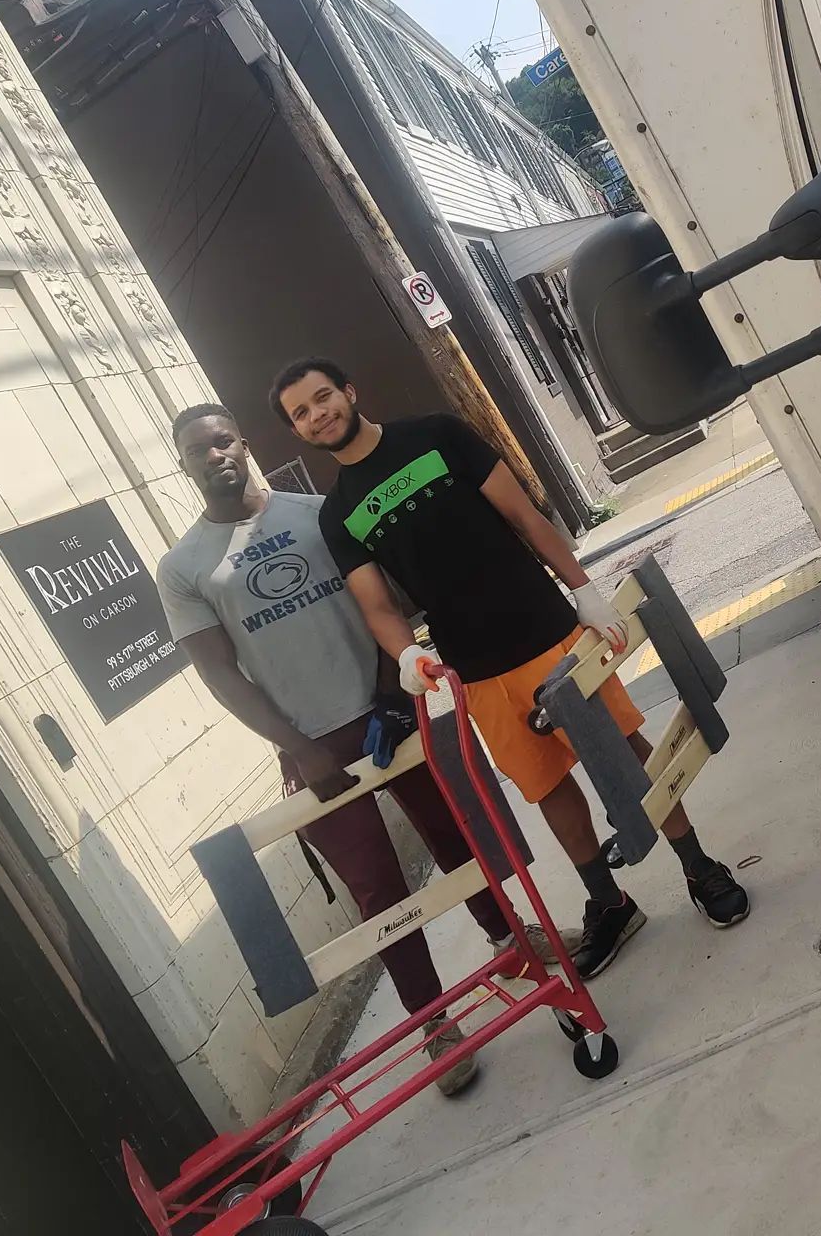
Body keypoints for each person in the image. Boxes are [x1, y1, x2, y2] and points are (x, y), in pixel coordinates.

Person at [267, 358, 750, 980]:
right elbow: (378, 607)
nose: (317, 415)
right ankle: (610, 902)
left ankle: (698, 865)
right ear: (297, 430)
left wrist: (584, 590)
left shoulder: (438, 435)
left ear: (350, 391)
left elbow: (524, 516)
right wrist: (408, 653)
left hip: (549, 634)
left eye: (322, 397)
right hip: (477, 671)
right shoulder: (338, 515)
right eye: (301, 413)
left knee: (627, 755)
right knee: (547, 788)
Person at [157, 403, 559, 1096]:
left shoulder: (317, 512)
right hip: (312, 747)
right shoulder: (184, 567)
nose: (215, 454)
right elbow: (219, 673)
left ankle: (513, 942)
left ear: (245, 443)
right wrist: (300, 749)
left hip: (388, 712)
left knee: (456, 838)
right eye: (199, 449)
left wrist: (389, 687)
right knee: (379, 891)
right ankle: (434, 1023)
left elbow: (383, 601)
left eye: (224, 439)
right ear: (183, 464)